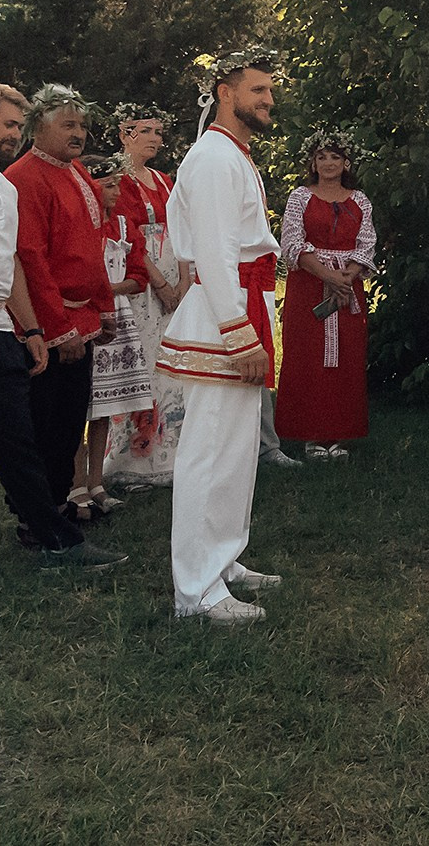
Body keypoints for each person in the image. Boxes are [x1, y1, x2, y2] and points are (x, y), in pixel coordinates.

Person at [0, 81, 121, 581]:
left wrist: (36, 328)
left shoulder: (3, 183)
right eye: (9, 125)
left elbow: (13, 262)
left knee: (19, 441)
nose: (14, 135)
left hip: (0, 323)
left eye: (19, 126)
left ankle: (54, 536)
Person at [157, 49, 285, 624]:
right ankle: (195, 590)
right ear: (225, 92)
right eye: (257, 90)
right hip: (221, 313)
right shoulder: (211, 158)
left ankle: (224, 560)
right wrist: (239, 332)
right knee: (209, 452)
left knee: (236, 451)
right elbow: (213, 252)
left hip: (243, 304)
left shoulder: (233, 155)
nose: (267, 101)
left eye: (270, 91)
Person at [4, 84, 112, 518]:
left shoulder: (77, 172)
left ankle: (59, 501)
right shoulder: (24, 179)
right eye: (68, 124)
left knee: (69, 422)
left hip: (81, 316)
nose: (78, 133)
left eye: (82, 125)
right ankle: (39, 515)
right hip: (50, 326)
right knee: (45, 423)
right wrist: (58, 329)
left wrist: (103, 308)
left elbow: (92, 244)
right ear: (37, 127)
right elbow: (30, 259)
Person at [275, 129, 377, 459]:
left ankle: (340, 434)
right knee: (308, 355)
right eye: (322, 157)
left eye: (335, 157)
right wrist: (328, 275)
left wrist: (346, 276)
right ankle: (310, 434)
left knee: (346, 355)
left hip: (347, 287)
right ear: (313, 162)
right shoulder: (300, 197)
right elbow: (291, 241)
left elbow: (367, 243)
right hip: (308, 285)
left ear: (346, 162)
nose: (329, 163)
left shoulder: (359, 200)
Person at [106, 102, 187, 492]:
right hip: (143, 280)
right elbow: (130, 240)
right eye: (147, 131)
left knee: (172, 363)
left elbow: (181, 229)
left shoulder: (164, 179)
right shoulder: (118, 180)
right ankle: (133, 460)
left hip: (174, 272)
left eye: (159, 131)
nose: (156, 138)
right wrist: (160, 284)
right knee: (144, 359)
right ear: (125, 133)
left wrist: (183, 282)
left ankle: (170, 451)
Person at [72, 154, 154, 517]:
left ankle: (96, 482)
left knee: (103, 407)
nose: (115, 191)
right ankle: (75, 484)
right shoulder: (81, 225)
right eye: (108, 185)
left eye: (118, 184)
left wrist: (108, 287)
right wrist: (99, 291)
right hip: (87, 316)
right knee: (78, 404)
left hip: (116, 318)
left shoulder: (122, 226)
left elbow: (140, 275)